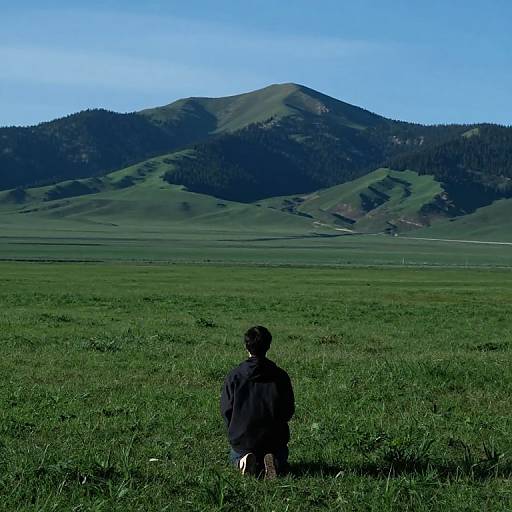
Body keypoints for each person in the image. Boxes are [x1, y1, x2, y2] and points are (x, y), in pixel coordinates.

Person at [220, 326, 295, 478]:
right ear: (269, 346)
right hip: (273, 438)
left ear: (245, 346)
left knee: (235, 455)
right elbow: (288, 410)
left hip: (243, 438)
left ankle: (243, 461)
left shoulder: (235, 376)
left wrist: (234, 427)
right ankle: (275, 461)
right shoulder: (280, 376)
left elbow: (226, 409)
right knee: (280, 452)